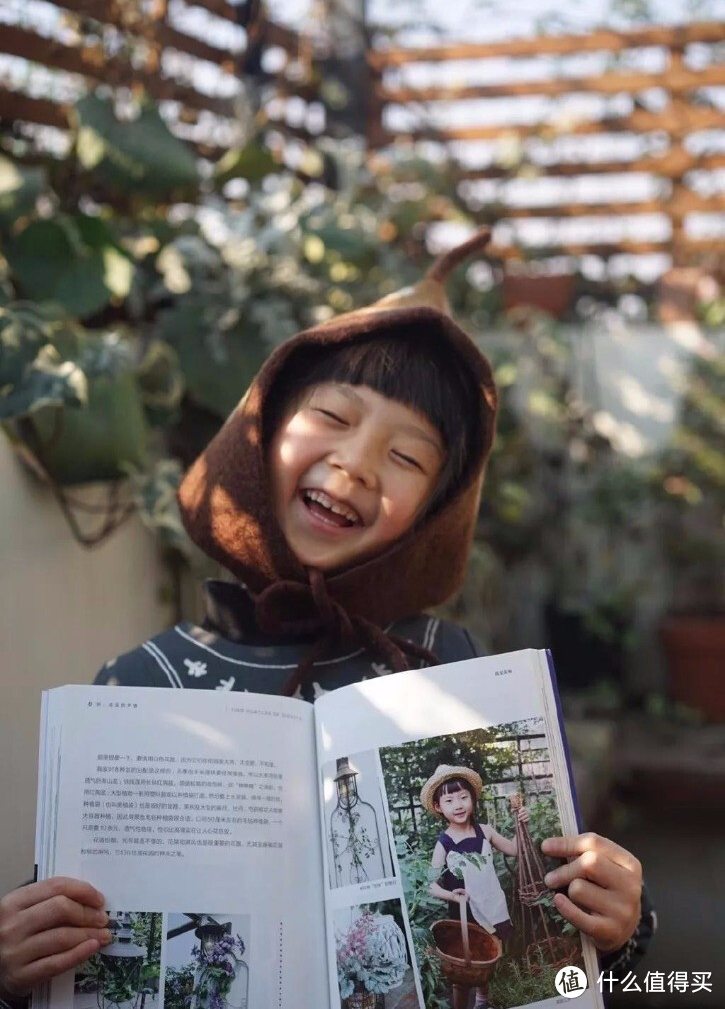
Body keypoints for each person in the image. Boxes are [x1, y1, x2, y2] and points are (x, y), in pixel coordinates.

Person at [0, 229, 653, 1008]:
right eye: (332, 416)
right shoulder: (142, 685)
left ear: (436, 513)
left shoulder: (448, 670)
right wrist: (15, 969)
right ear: (263, 427)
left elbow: (565, 964)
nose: (356, 463)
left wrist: (619, 933)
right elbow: (69, 951)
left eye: (407, 458)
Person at [423, 765, 526, 1009]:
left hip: (490, 905)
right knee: (462, 970)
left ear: (473, 798)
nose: (458, 805)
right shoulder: (444, 843)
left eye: (463, 797)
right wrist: (452, 896)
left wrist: (521, 825)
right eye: (449, 800)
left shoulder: (485, 832)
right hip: (463, 914)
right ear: (439, 807)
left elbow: (514, 850)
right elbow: (429, 886)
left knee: (486, 959)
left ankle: (482, 1001)